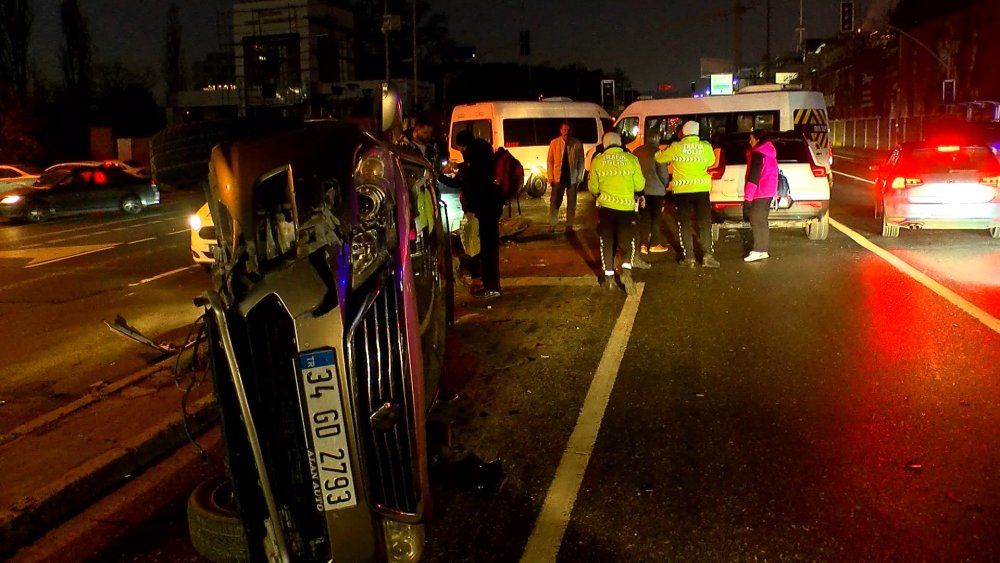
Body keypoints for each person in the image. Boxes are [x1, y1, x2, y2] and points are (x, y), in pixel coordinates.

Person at [655, 120, 721, 268]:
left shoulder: (676, 147)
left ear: (683, 132)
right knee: (705, 224)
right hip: (701, 190)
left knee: (684, 224)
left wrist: (664, 150)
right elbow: (711, 162)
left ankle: (689, 257)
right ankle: (708, 256)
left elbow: (659, 158)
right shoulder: (705, 147)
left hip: (682, 191)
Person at [588, 131, 645, 295]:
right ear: (620, 143)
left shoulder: (598, 161)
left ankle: (609, 279)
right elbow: (639, 185)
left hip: (606, 210)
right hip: (627, 210)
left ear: (604, 144)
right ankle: (626, 271)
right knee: (627, 243)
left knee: (607, 243)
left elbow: (593, 188)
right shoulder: (631, 159)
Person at [453, 130, 503, 299]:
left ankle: (491, 287)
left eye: (460, 148)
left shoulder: (473, 161)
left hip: (481, 210)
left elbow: (471, 184)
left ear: (464, 145)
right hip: (490, 209)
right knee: (489, 249)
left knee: (484, 248)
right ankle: (491, 285)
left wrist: (471, 209)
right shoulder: (481, 154)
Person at [631, 130, 671, 254]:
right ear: (657, 138)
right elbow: (663, 173)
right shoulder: (658, 153)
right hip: (657, 190)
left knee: (644, 218)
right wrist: (666, 184)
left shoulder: (636, 152)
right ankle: (653, 243)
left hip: (642, 190)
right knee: (656, 218)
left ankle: (643, 244)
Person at [743, 129, 778, 262]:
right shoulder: (769, 152)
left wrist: (748, 197)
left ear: (757, 139)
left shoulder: (758, 153)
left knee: (756, 220)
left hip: (760, 191)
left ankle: (758, 250)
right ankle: (762, 250)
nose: (749, 141)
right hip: (768, 191)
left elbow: (754, 176)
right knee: (762, 221)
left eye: (751, 138)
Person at [546, 121, 585, 233]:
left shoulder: (577, 144)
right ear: (561, 130)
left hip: (572, 179)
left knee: (572, 204)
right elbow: (550, 161)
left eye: (568, 130)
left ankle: (569, 226)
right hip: (558, 178)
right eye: (564, 130)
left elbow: (581, 162)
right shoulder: (554, 143)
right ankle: (552, 224)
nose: (566, 132)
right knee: (554, 202)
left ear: (571, 131)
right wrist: (550, 176)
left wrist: (579, 177)